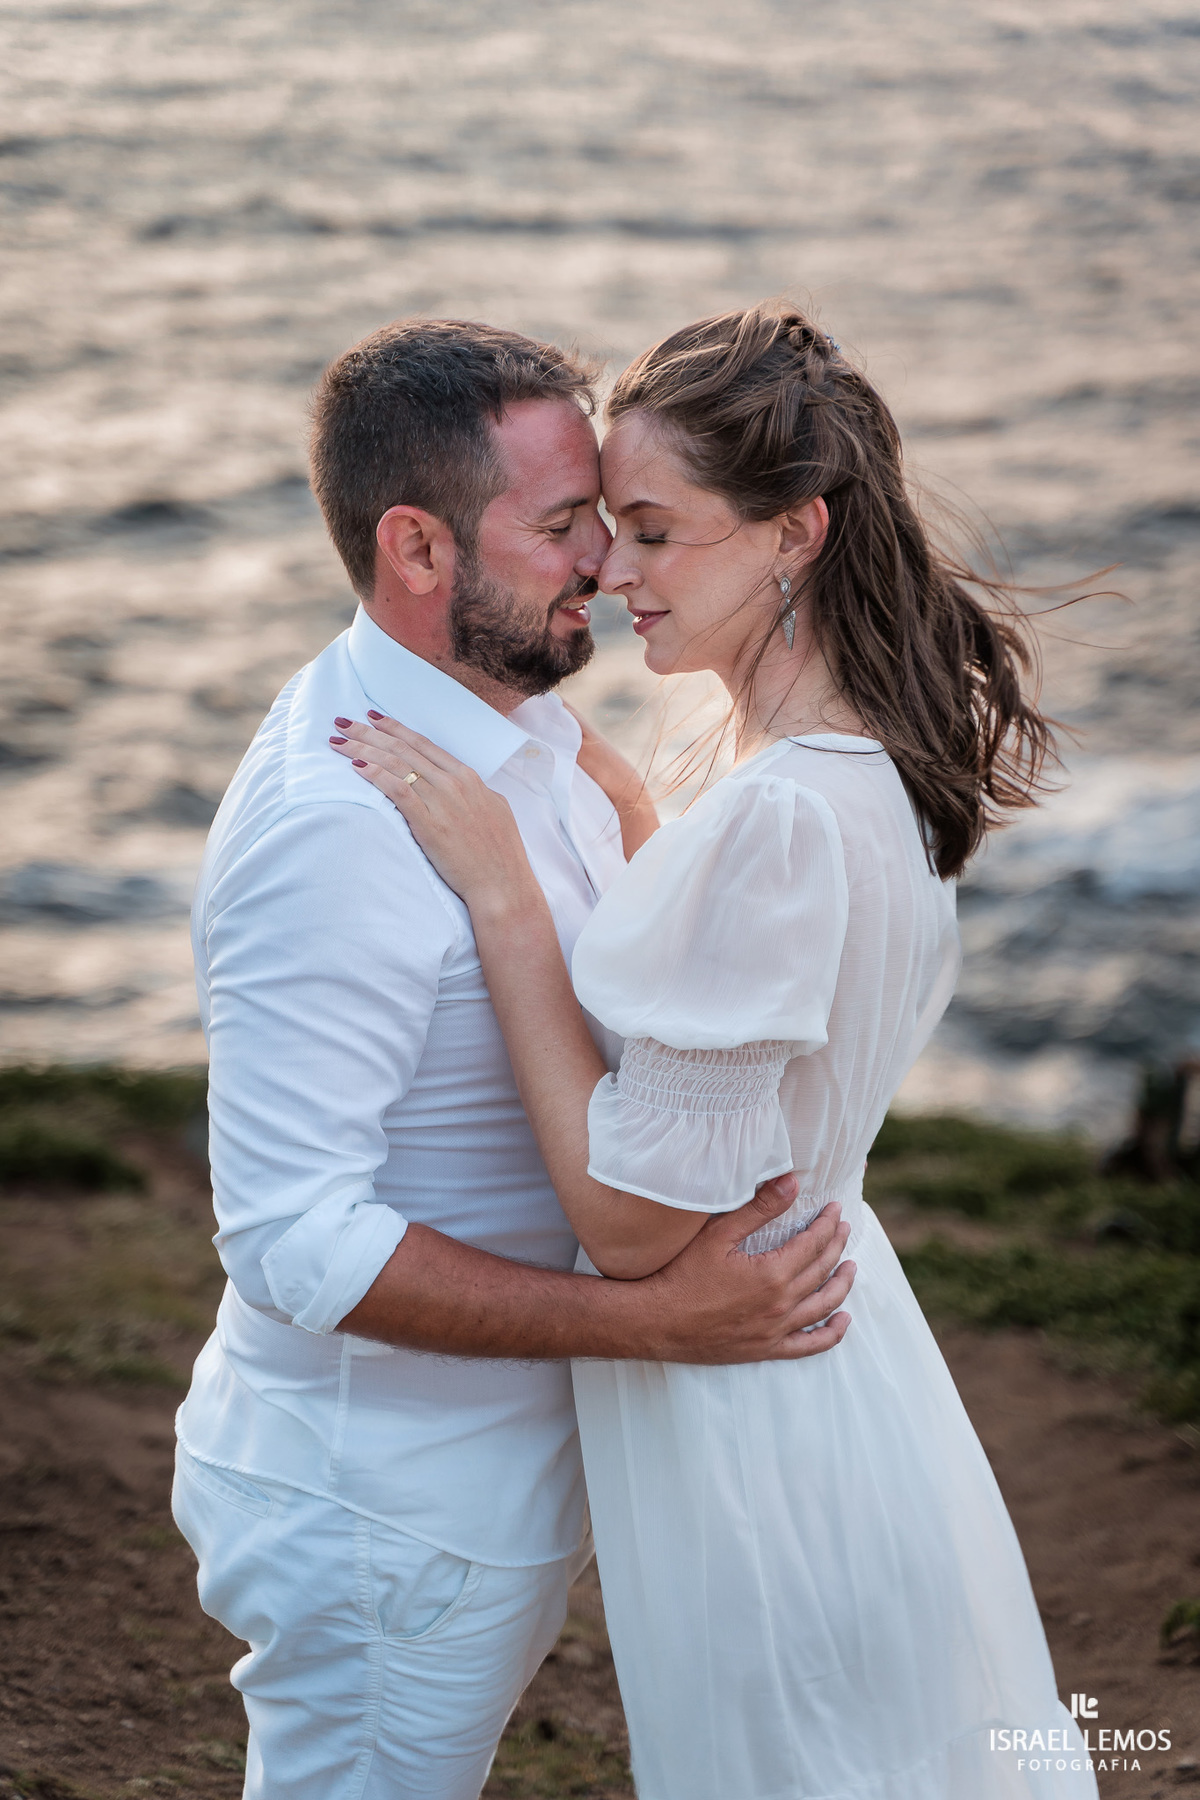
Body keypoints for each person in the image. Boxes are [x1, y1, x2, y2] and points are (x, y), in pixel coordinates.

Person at [333, 304, 1099, 1799]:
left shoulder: (782, 819)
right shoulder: (854, 771)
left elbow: (632, 1227)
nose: (611, 573)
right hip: (839, 1368)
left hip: (760, 1422)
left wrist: (509, 901)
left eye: (654, 533)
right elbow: (752, 1044)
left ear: (794, 533)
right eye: (601, 529)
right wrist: (636, 819)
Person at [172, 317, 855, 1800]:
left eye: (601, 517)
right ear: (416, 549)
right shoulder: (336, 829)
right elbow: (292, 1241)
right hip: (383, 1508)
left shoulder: (522, 731)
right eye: (559, 528)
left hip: (480, 1486)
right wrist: (654, 1322)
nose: (604, 563)